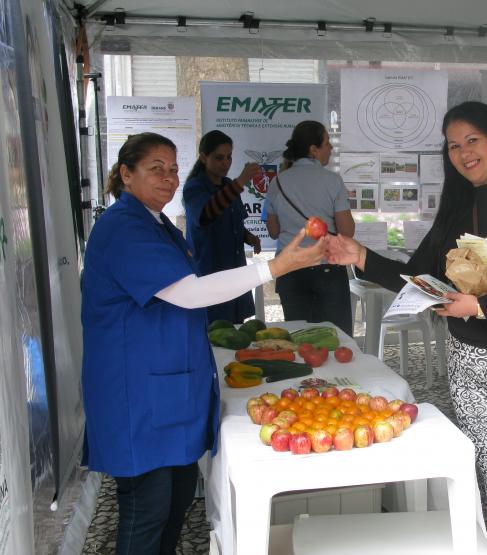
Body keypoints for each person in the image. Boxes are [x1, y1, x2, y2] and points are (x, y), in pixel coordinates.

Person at [326, 101, 487, 554]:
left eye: (472, 140)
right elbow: (420, 276)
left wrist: (482, 306)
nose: (463, 153)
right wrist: (360, 257)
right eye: (453, 146)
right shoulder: (458, 205)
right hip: (468, 362)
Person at [81, 132, 327, 555]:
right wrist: (275, 267)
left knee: (175, 502)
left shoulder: (155, 224)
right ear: (126, 174)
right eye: (155, 168)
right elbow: (187, 293)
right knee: (147, 510)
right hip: (136, 396)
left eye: (173, 168)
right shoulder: (123, 227)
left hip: (165, 391)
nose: (168, 177)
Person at [266, 120, 355, 334]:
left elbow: (273, 231)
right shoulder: (332, 181)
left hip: (290, 271)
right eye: (327, 142)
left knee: (300, 338)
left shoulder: (277, 182)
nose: (331, 148)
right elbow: (347, 231)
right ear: (313, 150)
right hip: (328, 267)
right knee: (336, 338)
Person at [183, 130, 263, 324]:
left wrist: (249, 237)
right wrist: (241, 181)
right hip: (210, 272)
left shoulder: (228, 185)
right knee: (213, 331)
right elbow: (207, 214)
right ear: (203, 156)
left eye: (228, 157)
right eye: (219, 158)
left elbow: (235, 223)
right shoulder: (194, 188)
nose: (225, 163)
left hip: (234, 271)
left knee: (235, 332)